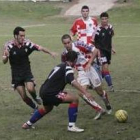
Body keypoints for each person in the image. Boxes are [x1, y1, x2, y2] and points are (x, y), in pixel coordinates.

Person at [22, 51, 106, 132]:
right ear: (75, 60)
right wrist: (86, 92)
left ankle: (28, 124)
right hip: (51, 93)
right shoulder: (68, 68)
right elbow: (73, 82)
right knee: (74, 99)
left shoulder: (60, 65)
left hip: (43, 91)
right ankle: (71, 126)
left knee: (47, 108)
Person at [2, 26, 57, 112]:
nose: (23, 38)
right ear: (16, 36)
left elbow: (40, 48)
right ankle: (35, 108)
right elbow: (4, 61)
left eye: (24, 35)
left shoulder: (27, 43)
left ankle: (35, 97)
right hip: (16, 74)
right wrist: (6, 56)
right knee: (24, 97)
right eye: (21, 36)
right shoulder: (8, 46)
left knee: (30, 89)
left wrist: (50, 52)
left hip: (26, 71)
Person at [61, 34, 112, 115]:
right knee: (82, 93)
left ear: (71, 41)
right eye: (65, 43)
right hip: (81, 72)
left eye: (68, 42)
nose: (67, 45)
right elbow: (65, 66)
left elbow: (95, 50)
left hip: (91, 68)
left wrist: (89, 63)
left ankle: (107, 104)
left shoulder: (79, 44)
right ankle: (99, 109)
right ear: (63, 44)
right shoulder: (64, 54)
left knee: (100, 92)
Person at [93, 12, 116, 92]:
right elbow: (93, 41)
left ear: (108, 19)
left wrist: (112, 48)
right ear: (100, 20)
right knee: (105, 67)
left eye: (106, 19)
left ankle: (96, 81)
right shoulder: (98, 29)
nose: (104, 20)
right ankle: (110, 85)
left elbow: (110, 38)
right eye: (102, 19)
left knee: (104, 69)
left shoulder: (111, 27)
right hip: (101, 51)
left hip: (108, 51)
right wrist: (97, 51)